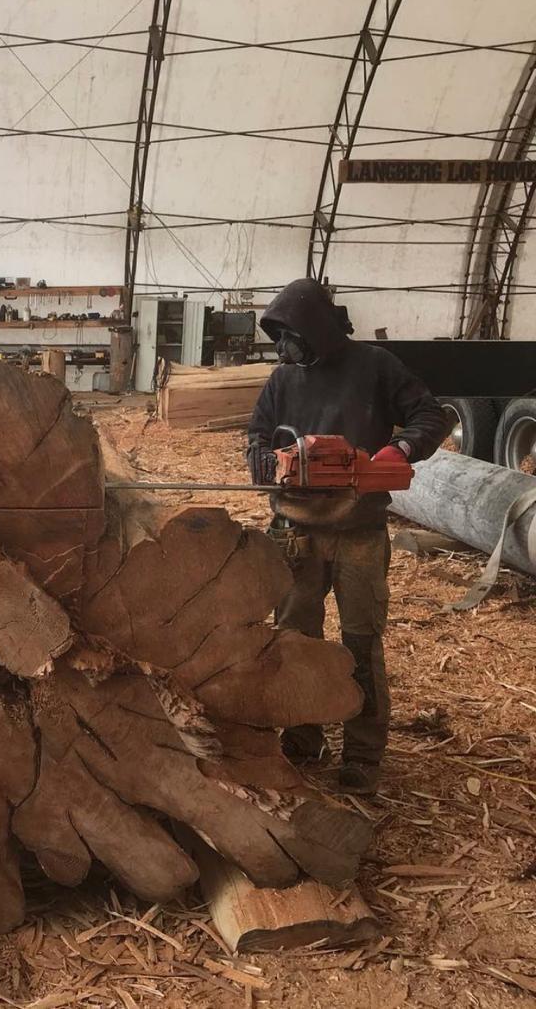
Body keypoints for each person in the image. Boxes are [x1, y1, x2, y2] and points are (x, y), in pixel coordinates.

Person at [247, 278, 447, 794]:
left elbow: (432, 414)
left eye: (290, 333)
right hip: (295, 532)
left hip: (359, 530)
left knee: (360, 643)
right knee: (295, 643)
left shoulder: (375, 366)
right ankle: (303, 736)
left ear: (315, 326)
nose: (283, 347)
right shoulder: (282, 380)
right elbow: (255, 437)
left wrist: (401, 450)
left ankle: (362, 754)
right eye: (279, 336)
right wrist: (274, 464)